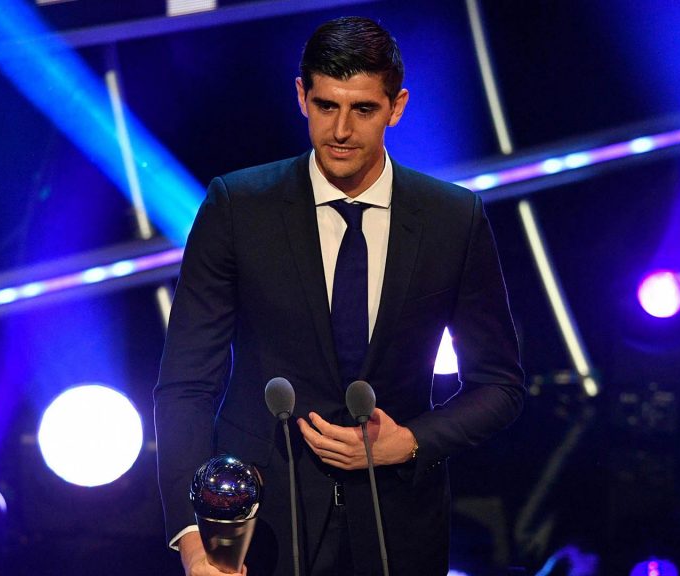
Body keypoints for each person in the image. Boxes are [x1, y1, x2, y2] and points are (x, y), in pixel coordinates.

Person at [155, 16, 524, 576]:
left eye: (363, 109)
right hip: (260, 525)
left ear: (397, 107)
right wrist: (195, 538)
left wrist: (411, 441)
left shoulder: (452, 218)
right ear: (301, 96)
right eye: (326, 105)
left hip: (398, 525)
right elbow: (186, 382)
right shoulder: (239, 207)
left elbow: (499, 385)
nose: (341, 131)